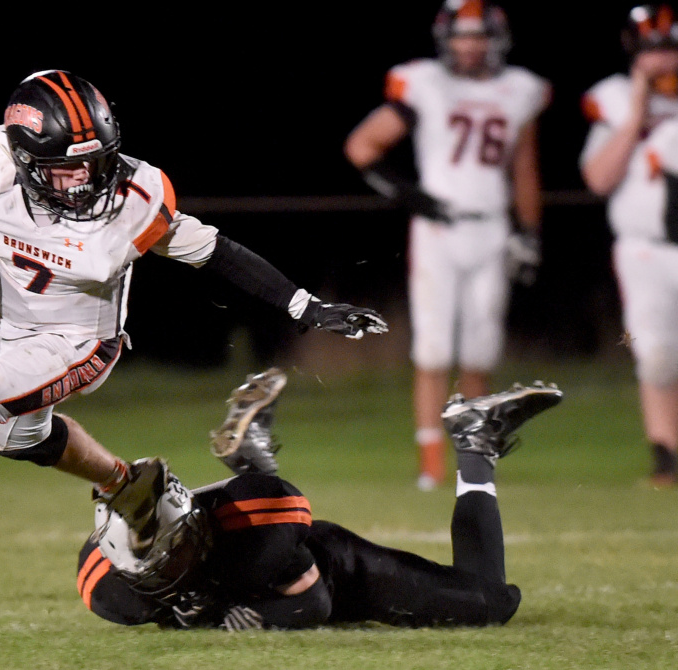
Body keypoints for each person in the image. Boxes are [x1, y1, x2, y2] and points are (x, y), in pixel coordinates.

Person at [0, 69, 389, 624]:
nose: (86, 180)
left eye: (94, 163)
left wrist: (305, 306)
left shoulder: (133, 198)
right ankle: (128, 484)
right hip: (12, 335)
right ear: (22, 159)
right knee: (21, 439)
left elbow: (217, 251)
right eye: (68, 168)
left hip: (81, 342)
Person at [78, 368, 563, 630]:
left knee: (492, 604)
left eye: (182, 543)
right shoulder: (109, 590)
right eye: (168, 558)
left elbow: (315, 604)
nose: (180, 558)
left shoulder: (259, 536)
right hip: (247, 532)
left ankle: (474, 443)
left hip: (329, 567)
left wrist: (241, 620)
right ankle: (253, 459)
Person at [343, 0, 551, 492]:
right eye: (463, 36)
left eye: (479, 36)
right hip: (440, 230)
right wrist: (412, 196)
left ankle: (473, 453)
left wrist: (530, 233)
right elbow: (362, 145)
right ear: (446, 40)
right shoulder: (426, 85)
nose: (471, 45)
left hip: (493, 226)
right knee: (434, 349)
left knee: (480, 350)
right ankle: (431, 464)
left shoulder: (518, 90)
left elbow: (524, 168)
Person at [580, 3, 678, 487]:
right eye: (651, 49)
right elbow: (599, 178)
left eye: (667, 47)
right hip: (645, 247)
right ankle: (666, 458)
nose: (660, 58)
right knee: (656, 353)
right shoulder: (616, 99)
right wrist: (639, 106)